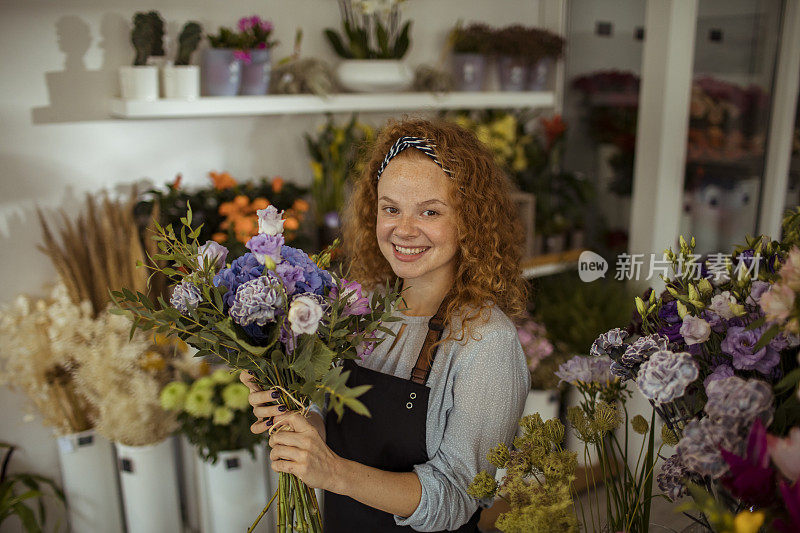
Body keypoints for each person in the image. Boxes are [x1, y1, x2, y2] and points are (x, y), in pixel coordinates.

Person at [241, 118, 530, 532]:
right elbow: (333, 416)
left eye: (430, 211)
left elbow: (456, 498)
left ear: (470, 220)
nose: (404, 229)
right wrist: (302, 424)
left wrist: (335, 474)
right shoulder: (363, 304)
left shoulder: (487, 342)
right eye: (390, 208)